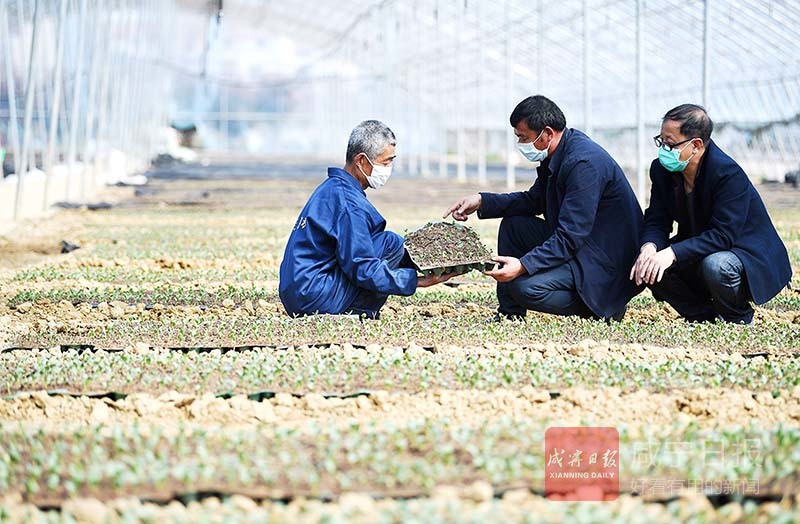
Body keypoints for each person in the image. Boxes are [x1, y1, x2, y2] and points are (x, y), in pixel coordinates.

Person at [445, 95, 644, 321]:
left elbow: (570, 236)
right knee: (514, 225)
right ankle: (510, 315)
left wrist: (523, 265)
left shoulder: (583, 164)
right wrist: (482, 201)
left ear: (547, 133)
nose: (521, 145)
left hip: (602, 261)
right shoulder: (558, 153)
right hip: (585, 246)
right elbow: (534, 201)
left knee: (525, 288)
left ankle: (601, 306)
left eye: (524, 137)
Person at [630, 104, 792, 324]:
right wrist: (649, 247)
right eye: (661, 141)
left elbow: (723, 236)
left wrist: (671, 253)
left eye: (670, 143)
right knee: (648, 262)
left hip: (741, 251)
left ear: (695, 145)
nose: (663, 150)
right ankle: (703, 316)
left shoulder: (727, 174)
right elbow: (657, 218)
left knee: (716, 266)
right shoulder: (662, 170)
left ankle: (738, 317)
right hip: (701, 245)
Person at [279, 120, 455, 319]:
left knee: (388, 242)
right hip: (314, 296)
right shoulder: (349, 204)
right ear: (362, 161)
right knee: (391, 245)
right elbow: (362, 267)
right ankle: (356, 312)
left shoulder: (332, 188)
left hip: (298, 291)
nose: (389, 168)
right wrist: (414, 281)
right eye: (386, 162)